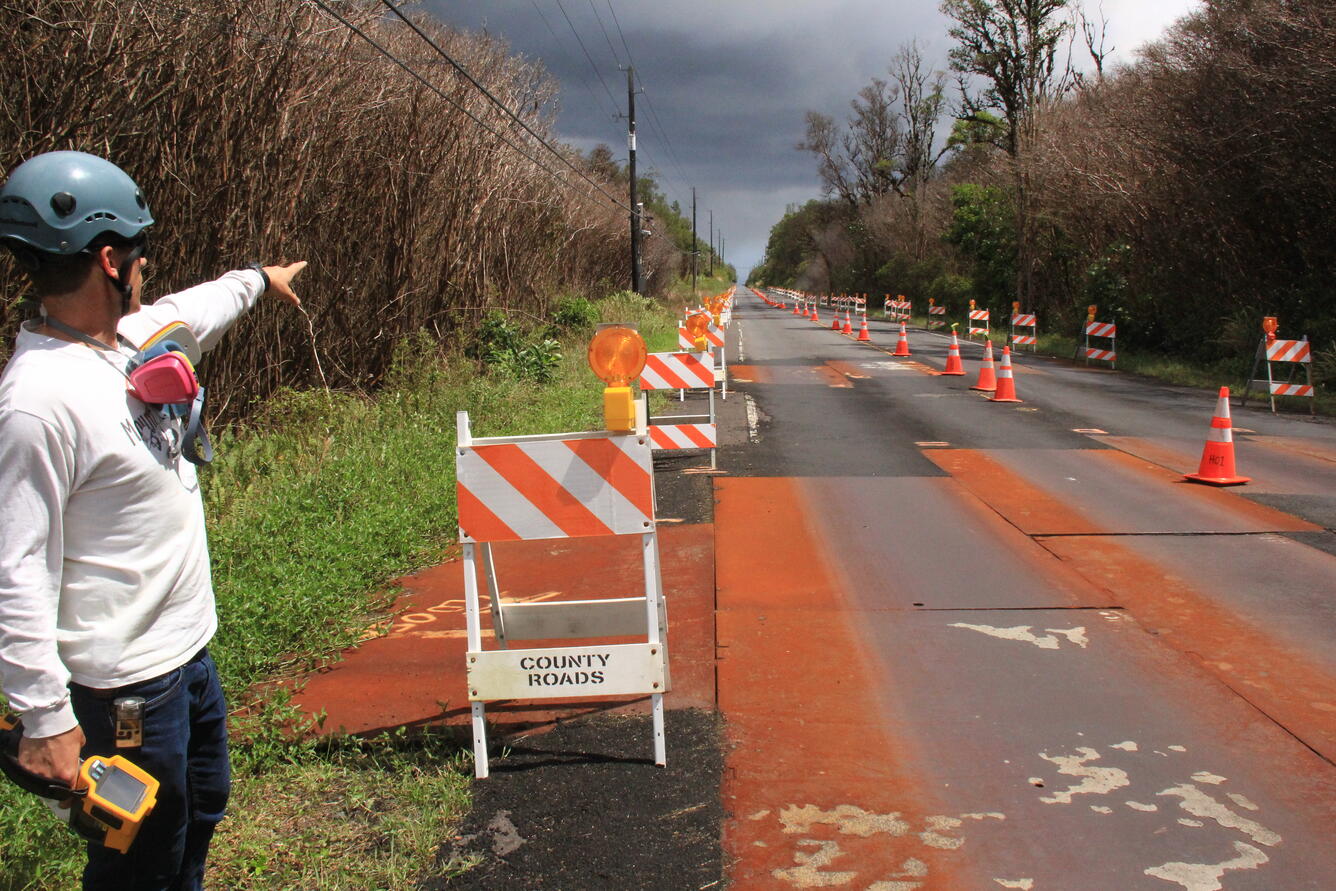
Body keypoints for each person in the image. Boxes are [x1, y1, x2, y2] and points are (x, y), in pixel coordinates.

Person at [0, 150, 306, 889]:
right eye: (139, 252)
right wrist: (43, 717)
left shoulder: (128, 340)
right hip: (125, 691)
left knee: (202, 809)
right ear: (110, 259)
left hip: (188, 660)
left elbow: (198, 306)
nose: (145, 268)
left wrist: (261, 280)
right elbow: (16, 569)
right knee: (141, 857)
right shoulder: (38, 403)